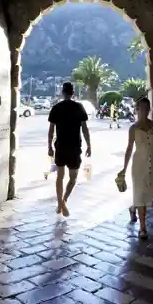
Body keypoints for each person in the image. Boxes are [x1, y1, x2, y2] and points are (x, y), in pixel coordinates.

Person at [48, 82, 92, 217]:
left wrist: (49, 146)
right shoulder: (79, 107)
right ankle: (63, 201)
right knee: (73, 178)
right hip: (74, 148)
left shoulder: (56, 108)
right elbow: (85, 129)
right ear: (73, 93)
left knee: (59, 177)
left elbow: (51, 130)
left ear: (63, 92)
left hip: (60, 147)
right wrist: (89, 144)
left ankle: (61, 203)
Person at [119, 96, 153, 240]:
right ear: (137, 109)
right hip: (138, 164)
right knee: (140, 192)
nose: (145, 111)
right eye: (142, 108)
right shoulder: (133, 128)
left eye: (147, 108)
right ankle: (142, 227)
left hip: (151, 163)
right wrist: (124, 168)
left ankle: (133, 208)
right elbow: (129, 149)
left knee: (147, 192)